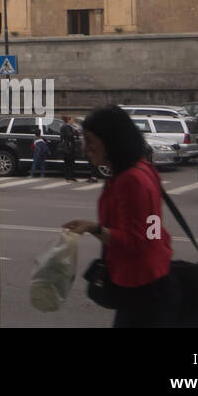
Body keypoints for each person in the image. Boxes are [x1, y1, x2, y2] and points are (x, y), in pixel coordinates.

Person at [65, 105, 178, 328]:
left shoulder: (131, 180)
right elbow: (151, 228)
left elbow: (135, 241)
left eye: (90, 140)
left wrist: (92, 228)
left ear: (110, 140)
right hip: (153, 276)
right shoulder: (142, 168)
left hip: (141, 288)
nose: (84, 147)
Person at [60, 115, 80, 181]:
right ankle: (69, 177)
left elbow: (77, 137)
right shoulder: (67, 127)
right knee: (70, 162)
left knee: (68, 163)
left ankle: (69, 177)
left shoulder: (66, 126)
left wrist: (76, 131)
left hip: (67, 147)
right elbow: (69, 135)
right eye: (72, 120)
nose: (73, 121)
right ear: (69, 120)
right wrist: (75, 130)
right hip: (69, 147)